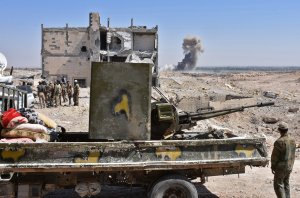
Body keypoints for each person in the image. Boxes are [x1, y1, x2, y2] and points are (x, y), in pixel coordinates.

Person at [271, 122, 296, 198]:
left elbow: (274, 157)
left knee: (278, 185)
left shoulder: (279, 142)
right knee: (286, 184)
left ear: (279, 130)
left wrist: (273, 166)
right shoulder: (293, 140)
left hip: (281, 167)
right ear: (287, 130)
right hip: (289, 166)